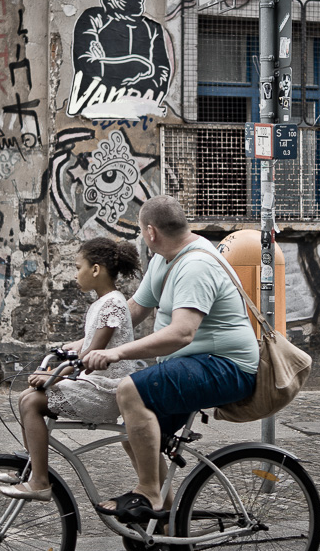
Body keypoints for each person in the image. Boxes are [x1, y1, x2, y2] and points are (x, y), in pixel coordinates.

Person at [83, 195, 259, 522]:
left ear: (151, 232)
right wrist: (84, 345)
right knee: (134, 436)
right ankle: (169, 526)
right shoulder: (166, 259)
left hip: (226, 367)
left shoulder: (196, 265)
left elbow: (181, 334)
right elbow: (132, 310)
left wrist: (116, 352)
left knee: (129, 390)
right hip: (196, 364)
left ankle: (149, 493)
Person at [0, 237, 141, 501]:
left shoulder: (112, 304)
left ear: (96, 269)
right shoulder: (103, 303)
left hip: (107, 391)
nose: (76, 274)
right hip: (95, 385)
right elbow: (85, 344)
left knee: (32, 403)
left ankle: (40, 481)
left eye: (78, 267)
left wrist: (52, 375)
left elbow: (89, 355)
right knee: (25, 397)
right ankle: (31, 469)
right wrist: (61, 348)